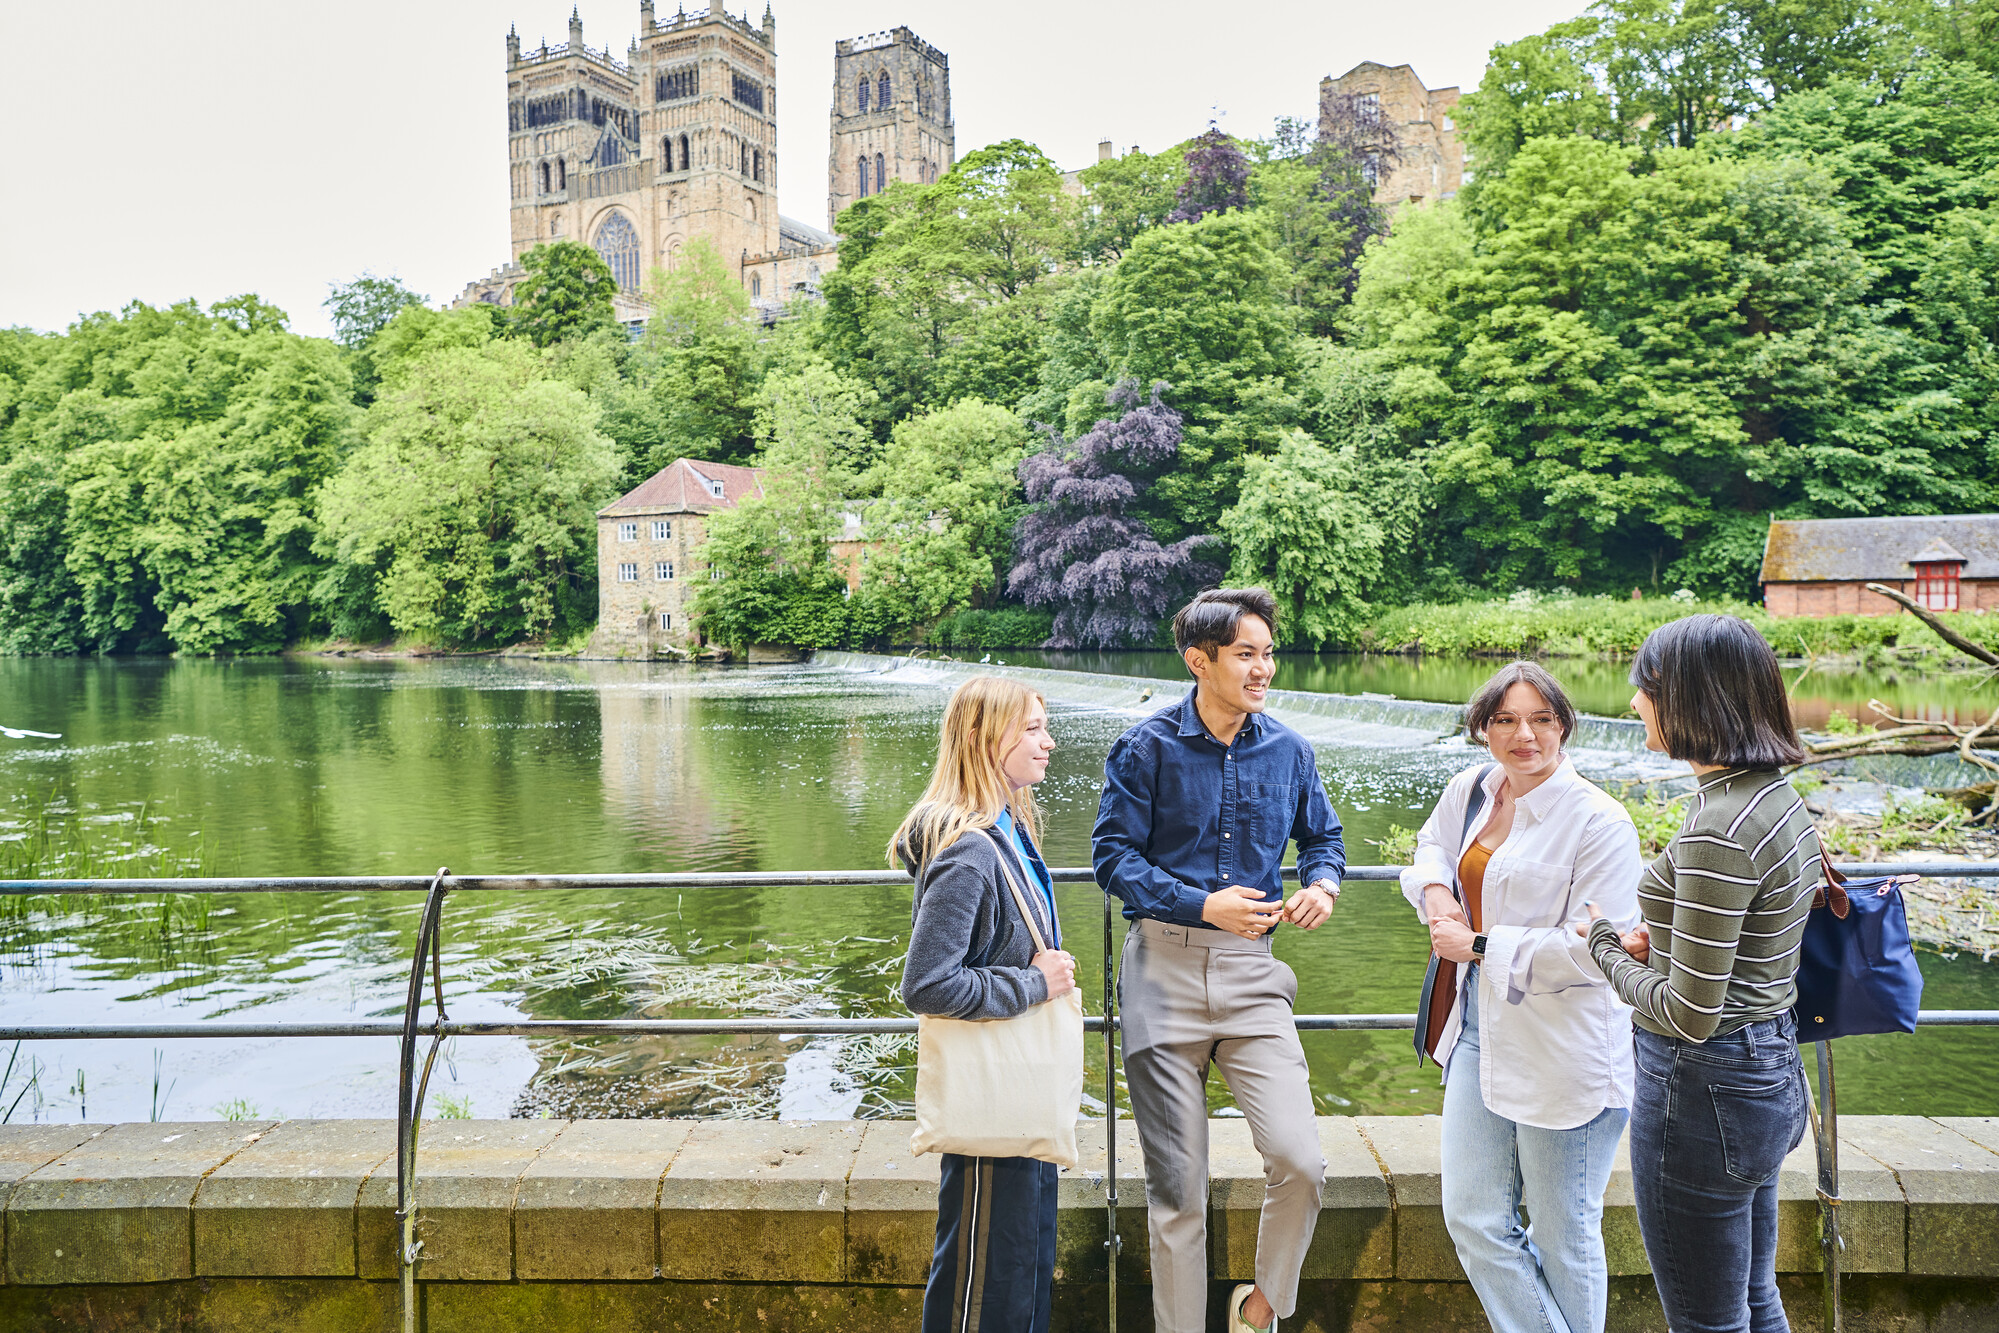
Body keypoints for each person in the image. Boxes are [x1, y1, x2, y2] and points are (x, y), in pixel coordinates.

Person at [1093, 588, 1345, 1333]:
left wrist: (1321, 885)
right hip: (1162, 975)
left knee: (1301, 1161)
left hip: (1253, 973)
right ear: (1197, 660)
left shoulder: (1290, 749)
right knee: (1178, 1190)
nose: (1263, 667)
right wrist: (1203, 905)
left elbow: (1323, 840)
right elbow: (1111, 860)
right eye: (1246, 654)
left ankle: (1258, 1309)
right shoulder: (1145, 747)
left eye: (1267, 652)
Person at [1583, 614, 1818, 1333]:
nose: (1633, 702)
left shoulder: (1719, 823)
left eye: (1644, 686)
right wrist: (1674, 939)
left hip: (1702, 1084)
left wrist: (1604, 947)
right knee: (1752, 1299)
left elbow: (1691, 1013)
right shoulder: (1770, 796)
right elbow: (1755, 936)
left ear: (1690, 696)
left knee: (1705, 1318)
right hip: (1764, 1068)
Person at [1402, 662, 1642, 1333]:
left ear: (1565, 724)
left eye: (1540, 719)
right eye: (1504, 719)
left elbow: (1598, 950)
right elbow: (1427, 849)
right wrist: (1434, 894)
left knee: (1564, 1233)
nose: (1523, 735)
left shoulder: (1599, 820)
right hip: (1476, 1026)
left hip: (1564, 1046)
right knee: (1474, 1219)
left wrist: (1477, 944)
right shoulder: (1471, 789)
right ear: (1482, 728)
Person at [895, 676, 1076, 1333]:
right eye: (1029, 728)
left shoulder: (1008, 830)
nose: (1047, 741)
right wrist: (1034, 984)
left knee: (1019, 1264)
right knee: (982, 1282)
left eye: (1043, 725)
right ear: (978, 738)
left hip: (1016, 1093)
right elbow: (927, 983)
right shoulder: (970, 849)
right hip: (993, 1098)